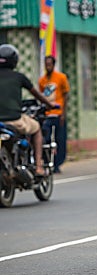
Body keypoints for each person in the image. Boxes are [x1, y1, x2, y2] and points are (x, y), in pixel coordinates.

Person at [0, 44, 56, 176]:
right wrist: (49, 104)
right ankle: (38, 166)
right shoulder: (19, 77)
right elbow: (37, 94)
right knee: (36, 128)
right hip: (14, 120)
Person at [38, 55, 70, 173]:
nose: (48, 66)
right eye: (46, 64)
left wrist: (63, 113)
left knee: (60, 140)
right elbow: (41, 96)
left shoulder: (61, 77)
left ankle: (58, 164)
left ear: (53, 65)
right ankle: (47, 162)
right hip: (47, 114)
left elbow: (66, 95)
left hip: (58, 114)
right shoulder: (42, 80)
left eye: (50, 64)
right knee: (45, 140)